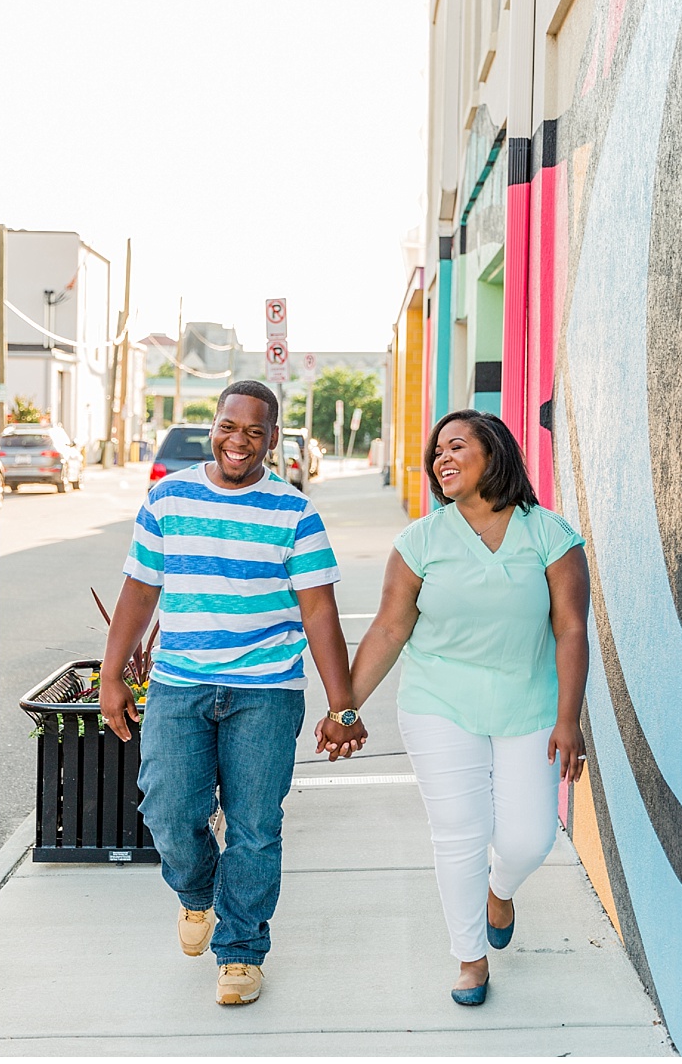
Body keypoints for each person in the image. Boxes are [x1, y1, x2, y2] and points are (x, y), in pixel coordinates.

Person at [100, 380, 366, 1006]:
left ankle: (242, 951)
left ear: (273, 439)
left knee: (254, 826)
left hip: (266, 692)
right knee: (167, 811)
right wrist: (113, 676)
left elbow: (319, 613)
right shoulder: (168, 499)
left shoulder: (295, 513)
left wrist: (343, 705)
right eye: (228, 426)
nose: (237, 441)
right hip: (179, 684)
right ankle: (199, 895)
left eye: (254, 431)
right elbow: (140, 591)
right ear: (212, 427)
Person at [334, 409, 590, 1006]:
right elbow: (389, 630)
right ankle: (470, 959)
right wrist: (344, 707)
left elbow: (571, 629)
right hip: (438, 703)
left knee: (529, 839)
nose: (441, 459)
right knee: (459, 834)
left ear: (494, 453)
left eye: (456, 447)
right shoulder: (421, 541)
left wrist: (569, 718)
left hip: (530, 703)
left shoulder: (550, 534)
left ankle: (500, 891)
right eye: (437, 452)